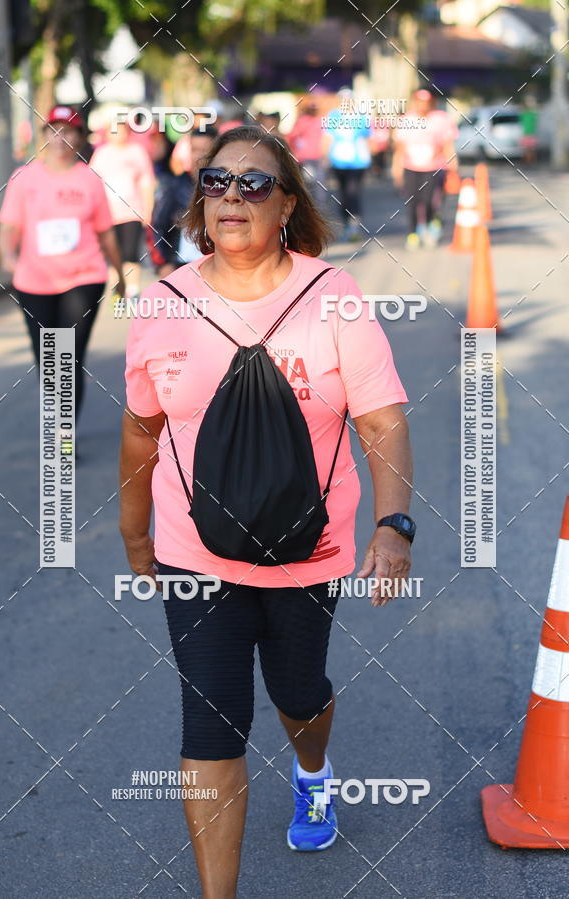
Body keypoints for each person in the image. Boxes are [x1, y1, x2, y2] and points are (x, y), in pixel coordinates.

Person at [119, 125, 413, 898]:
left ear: (286, 204)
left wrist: (392, 524)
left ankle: (313, 768)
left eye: (254, 184)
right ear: (197, 201)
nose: (231, 197)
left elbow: (380, 420)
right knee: (211, 721)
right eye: (216, 182)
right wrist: (133, 528)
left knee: (299, 693)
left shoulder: (332, 295)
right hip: (196, 553)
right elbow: (139, 427)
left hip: (306, 551)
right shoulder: (162, 303)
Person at [0, 105, 125, 426]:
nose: (60, 138)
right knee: (48, 360)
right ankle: (57, 422)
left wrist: (120, 274)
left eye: (68, 131)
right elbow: (8, 230)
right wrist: (9, 258)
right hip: (33, 282)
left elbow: (106, 233)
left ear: (80, 138)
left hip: (83, 278)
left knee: (66, 358)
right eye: (53, 130)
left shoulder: (90, 180)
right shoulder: (24, 178)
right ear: (43, 137)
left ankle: (62, 436)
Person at [90, 114, 155, 298]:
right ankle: (117, 291)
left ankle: (132, 291)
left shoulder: (137, 152)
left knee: (131, 252)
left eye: (121, 129)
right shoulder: (102, 154)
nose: (118, 133)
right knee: (113, 254)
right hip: (108, 214)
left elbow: (147, 182)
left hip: (132, 211)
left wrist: (148, 209)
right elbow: (92, 183)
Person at [391, 89, 459, 250]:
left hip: (432, 167)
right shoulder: (406, 120)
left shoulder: (440, 119)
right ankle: (413, 233)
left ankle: (428, 225)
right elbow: (399, 148)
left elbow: (448, 145)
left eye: (426, 102)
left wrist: (454, 166)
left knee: (428, 201)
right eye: (419, 102)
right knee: (413, 202)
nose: (422, 105)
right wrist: (396, 170)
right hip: (411, 167)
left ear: (431, 103)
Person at [147, 126, 218, 277]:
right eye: (194, 150)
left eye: (204, 150)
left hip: (216, 268)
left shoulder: (228, 189)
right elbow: (157, 227)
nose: (197, 156)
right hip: (180, 268)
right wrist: (163, 264)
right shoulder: (174, 186)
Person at [325, 88, 373, 241]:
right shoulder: (333, 116)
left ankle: (354, 224)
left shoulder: (361, 116)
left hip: (358, 163)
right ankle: (346, 224)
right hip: (338, 162)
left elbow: (368, 139)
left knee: (353, 193)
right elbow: (327, 138)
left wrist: (371, 161)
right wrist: (324, 158)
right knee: (343, 195)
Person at [287, 102, 329, 207]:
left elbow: (291, 136)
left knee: (310, 184)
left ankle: (313, 208)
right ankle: (315, 208)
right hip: (309, 159)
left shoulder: (305, 121)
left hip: (308, 158)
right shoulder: (317, 121)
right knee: (314, 184)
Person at [520, 97, 539, 165]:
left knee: (530, 149)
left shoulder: (528, 114)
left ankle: (530, 161)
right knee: (528, 149)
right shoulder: (525, 115)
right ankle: (529, 161)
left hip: (529, 133)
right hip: (527, 133)